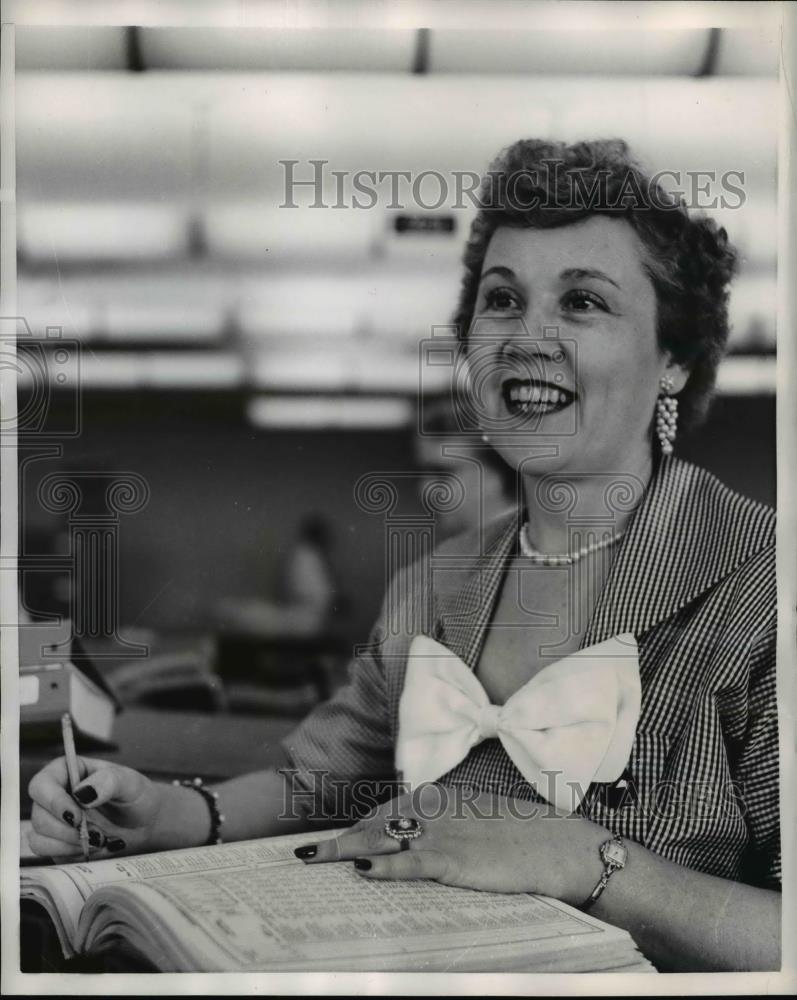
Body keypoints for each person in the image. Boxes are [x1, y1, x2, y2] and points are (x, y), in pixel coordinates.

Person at [27, 139, 779, 972]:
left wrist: (586, 861)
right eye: (501, 300)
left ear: (673, 357)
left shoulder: (764, 584)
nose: (527, 338)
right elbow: (319, 784)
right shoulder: (431, 584)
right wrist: (167, 811)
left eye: (581, 304)